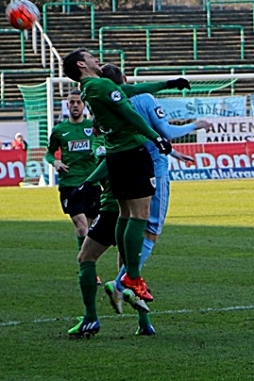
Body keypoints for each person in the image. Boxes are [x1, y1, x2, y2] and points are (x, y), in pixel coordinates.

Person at [62, 48, 182, 335]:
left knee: (89, 258)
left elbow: (132, 91)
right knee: (131, 251)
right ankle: (139, 307)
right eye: (91, 56)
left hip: (111, 196)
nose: (96, 58)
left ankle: (105, 316)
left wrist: (167, 83)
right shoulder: (102, 91)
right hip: (119, 188)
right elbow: (128, 111)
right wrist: (156, 137)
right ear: (82, 64)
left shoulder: (96, 109)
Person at [97, 64, 211, 335]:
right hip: (153, 171)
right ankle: (122, 283)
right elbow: (165, 133)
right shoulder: (144, 99)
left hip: (123, 170)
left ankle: (139, 314)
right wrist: (197, 124)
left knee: (129, 226)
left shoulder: (109, 105)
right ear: (125, 79)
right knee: (150, 232)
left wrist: (173, 152)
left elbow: (142, 135)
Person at [46, 89, 103, 251]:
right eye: (72, 102)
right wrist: (55, 162)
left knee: (90, 230)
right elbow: (49, 153)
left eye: (78, 102)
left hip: (91, 182)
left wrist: (97, 148)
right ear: (67, 105)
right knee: (81, 226)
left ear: (84, 105)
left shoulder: (92, 126)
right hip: (70, 183)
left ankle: (88, 265)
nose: (75, 105)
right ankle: (84, 264)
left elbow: (102, 142)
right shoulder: (59, 130)